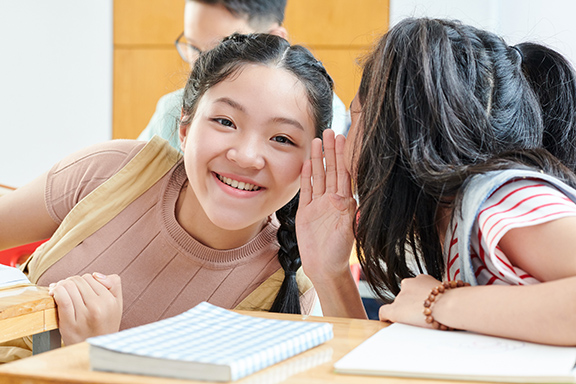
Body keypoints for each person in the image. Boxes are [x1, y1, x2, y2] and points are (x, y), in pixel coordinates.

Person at [0, 33, 334, 359]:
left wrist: (94, 353)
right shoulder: (114, 170)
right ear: (184, 129)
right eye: (225, 121)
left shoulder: (285, 291)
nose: (246, 156)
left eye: (281, 139)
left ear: (311, 162)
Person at [296, 18, 576, 345]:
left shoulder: (498, 199)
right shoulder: (455, 225)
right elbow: (375, 371)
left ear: (394, 130)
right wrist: (330, 273)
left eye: (355, 116)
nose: (342, 140)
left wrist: (437, 302)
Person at [138, 0, 349, 150]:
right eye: (193, 47)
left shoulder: (328, 126)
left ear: (272, 39)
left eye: (222, 50)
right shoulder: (173, 110)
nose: (199, 69)